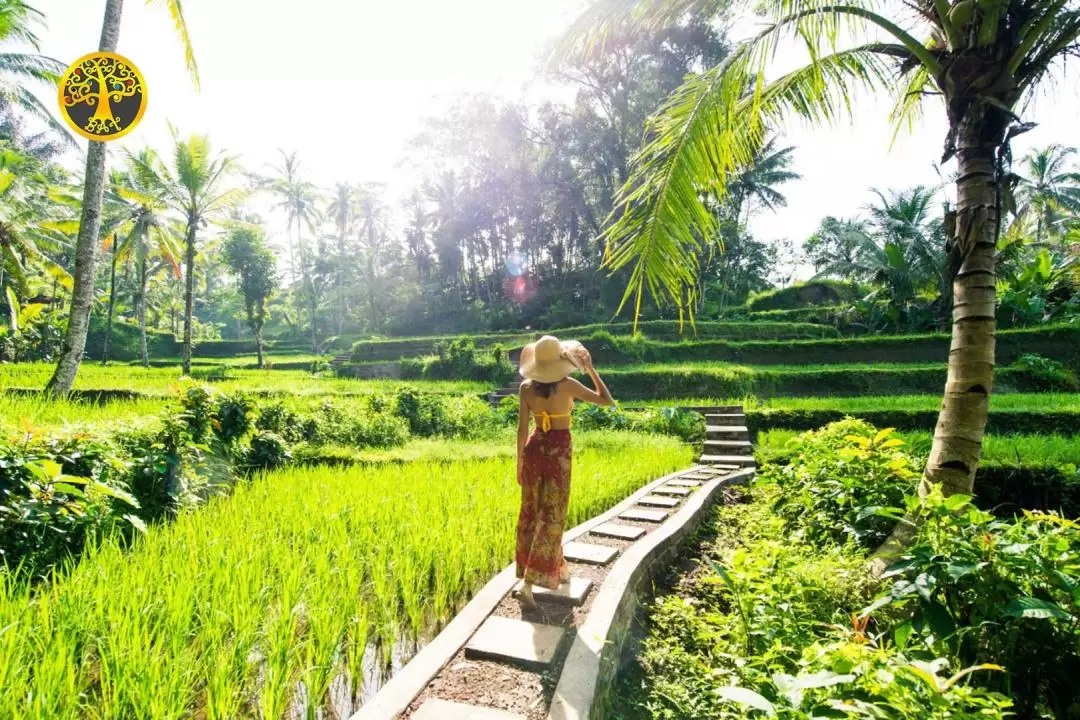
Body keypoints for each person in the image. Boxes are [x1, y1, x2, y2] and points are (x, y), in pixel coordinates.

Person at [515, 334, 613, 608]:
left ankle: (558, 567)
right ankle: (527, 585)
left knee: (531, 511)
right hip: (559, 453)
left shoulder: (525, 388)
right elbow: (606, 400)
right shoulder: (568, 385)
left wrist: (519, 464)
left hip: (534, 450)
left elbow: (523, 429)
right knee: (553, 513)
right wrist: (591, 368)